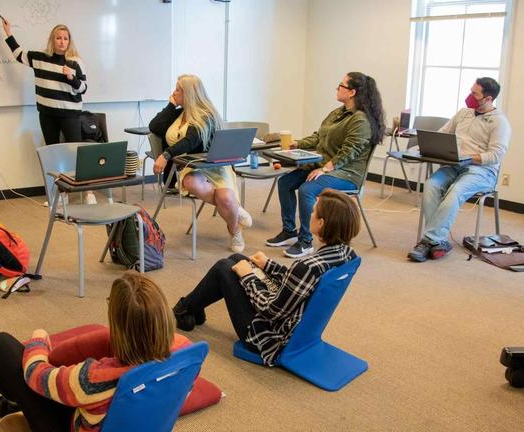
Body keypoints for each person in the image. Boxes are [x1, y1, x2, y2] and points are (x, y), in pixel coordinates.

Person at [0, 271, 187, 432]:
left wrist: (39, 338)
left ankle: (15, 403)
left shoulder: (95, 379)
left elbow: (35, 373)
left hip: (77, 423)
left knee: (0, 346)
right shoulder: (185, 351)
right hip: (139, 421)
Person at [173, 189, 360, 366]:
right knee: (237, 259)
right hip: (299, 327)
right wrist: (268, 265)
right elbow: (300, 284)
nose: (309, 215)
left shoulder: (307, 267)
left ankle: (184, 309)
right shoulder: (346, 255)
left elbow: (269, 309)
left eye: (313, 212)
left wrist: (248, 276)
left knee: (226, 267)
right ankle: (191, 308)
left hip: (272, 339)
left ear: (321, 224)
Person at [266, 72, 385, 258]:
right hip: (324, 166)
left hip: (347, 174)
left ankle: (305, 241)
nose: (337, 88)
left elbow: (349, 151)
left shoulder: (361, 120)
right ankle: (289, 231)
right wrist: (298, 144)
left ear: (352, 92)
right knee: (285, 182)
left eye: (341, 85)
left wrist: (325, 168)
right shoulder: (338, 113)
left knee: (307, 189)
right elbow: (318, 136)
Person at [407, 77, 511, 262]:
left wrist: (469, 158)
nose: (469, 96)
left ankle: (429, 241)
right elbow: (442, 134)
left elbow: (496, 155)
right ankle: (438, 242)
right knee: (431, 185)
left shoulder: (499, 122)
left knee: (455, 192)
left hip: (482, 171)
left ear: (488, 98)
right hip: (454, 166)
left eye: (474, 94)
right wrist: (423, 146)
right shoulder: (464, 113)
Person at [149, 74, 252, 252]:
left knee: (225, 197)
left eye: (178, 90)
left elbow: (191, 140)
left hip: (213, 166)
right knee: (193, 183)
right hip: (189, 168)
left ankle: (234, 229)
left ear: (189, 94)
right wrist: (171, 105)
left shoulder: (206, 116)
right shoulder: (178, 113)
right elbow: (154, 126)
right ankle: (235, 210)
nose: (174, 92)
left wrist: (166, 154)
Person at [2, 21, 86, 145]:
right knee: (52, 150)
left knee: (75, 150)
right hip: (47, 114)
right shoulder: (40, 58)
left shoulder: (75, 62)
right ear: (52, 40)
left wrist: (72, 78)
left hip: (70, 115)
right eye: (58, 38)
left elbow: (83, 89)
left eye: (65, 39)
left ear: (69, 41)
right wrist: (8, 32)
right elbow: (19, 55)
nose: (62, 42)